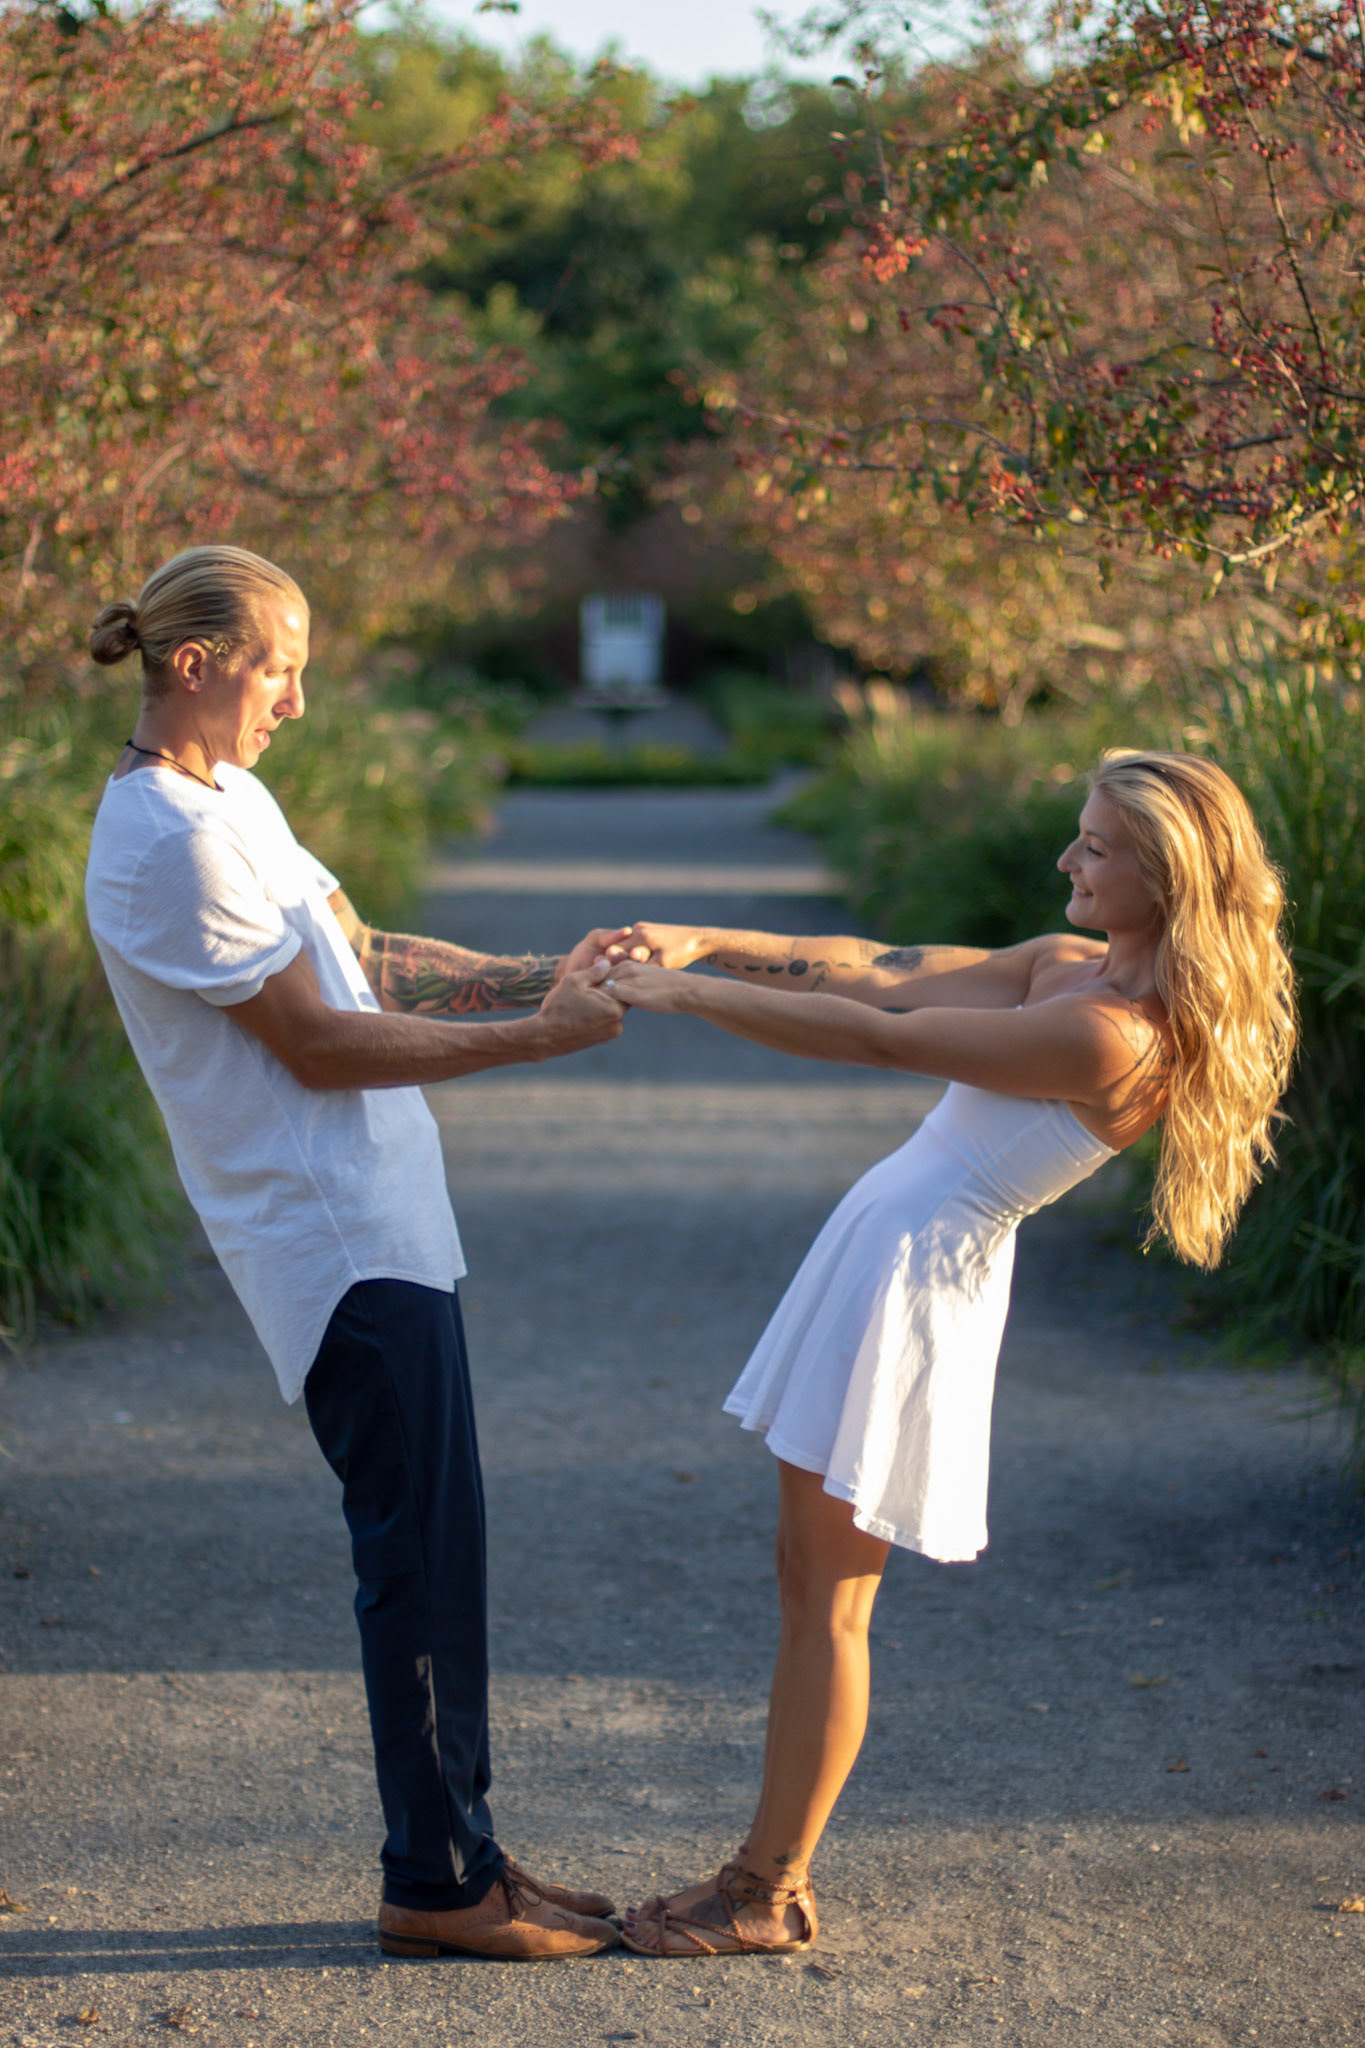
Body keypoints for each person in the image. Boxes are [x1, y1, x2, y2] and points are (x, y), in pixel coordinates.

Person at [600, 751, 1295, 1959]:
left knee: (830, 1604)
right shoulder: (1069, 966)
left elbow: (884, 1036)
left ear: (1166, 875)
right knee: (807, 1585)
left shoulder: (1114, 1036)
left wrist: (689, 997)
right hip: (885, 1262)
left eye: (1095, 846)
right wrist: (702, 940)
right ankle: (766, 1875)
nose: (1067, 858)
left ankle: (768, 1887)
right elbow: (882, 968)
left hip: (914, 1290)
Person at [84, 545, 630, 1961]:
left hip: (386, 1224)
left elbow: (367, 957)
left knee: (444, 1547)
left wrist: (563, 975)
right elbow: (321, 1046)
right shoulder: (166, 840)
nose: (298, 700)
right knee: (417, 1560)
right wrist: (541, 1040)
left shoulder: (233, 800)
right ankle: (437, 1885)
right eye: (280, 668)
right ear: (195, 663)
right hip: (328, 1242)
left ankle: (467, 1853)